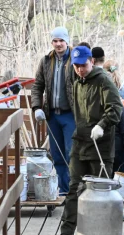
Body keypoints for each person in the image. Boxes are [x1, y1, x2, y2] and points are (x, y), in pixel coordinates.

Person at [50, 46, 123, 235]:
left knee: (100, 194)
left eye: (83, 65)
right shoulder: (77, 82)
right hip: (80, 143)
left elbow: (116, 109)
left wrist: (102, 125)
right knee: (73, 189)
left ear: (91, 61)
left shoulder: (104, 81)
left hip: (101, 146)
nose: (80, 69)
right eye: (76, 66)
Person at [30, 27, 76, 196]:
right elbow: (37, 86)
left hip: (70, 115)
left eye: (61, 41)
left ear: (67, 41)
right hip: (52, 116)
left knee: (71, 153)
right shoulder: (45, 61)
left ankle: (74, 189)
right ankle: (64, 190)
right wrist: (36, 108)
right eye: (55, 41)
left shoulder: (74, 59)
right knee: (56, 154)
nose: (58, 44)